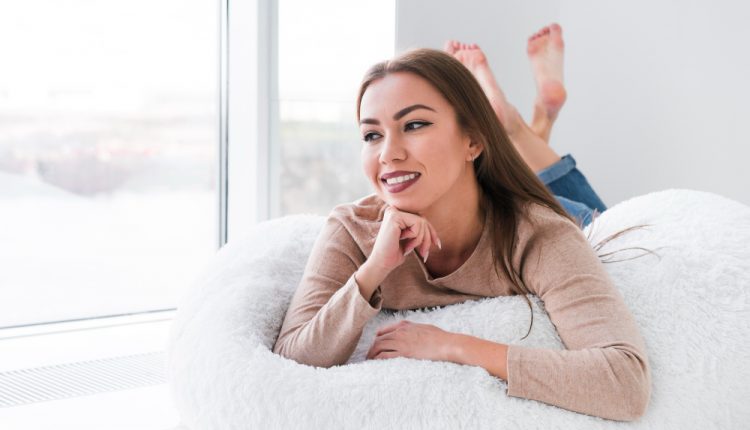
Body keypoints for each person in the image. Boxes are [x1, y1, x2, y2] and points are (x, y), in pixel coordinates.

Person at [273, 24, 652, 422]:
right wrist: (373, 271)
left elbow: (624, 382)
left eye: (414, 125)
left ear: (473, 139)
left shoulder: (540, 234)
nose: (388, 154)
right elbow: (291, 359)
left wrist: (454, 347)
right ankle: (529, 126)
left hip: (561, 211)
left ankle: (523, 127)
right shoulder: (353, 230)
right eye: (371, 134)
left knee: (595, 216)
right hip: (488, 189)